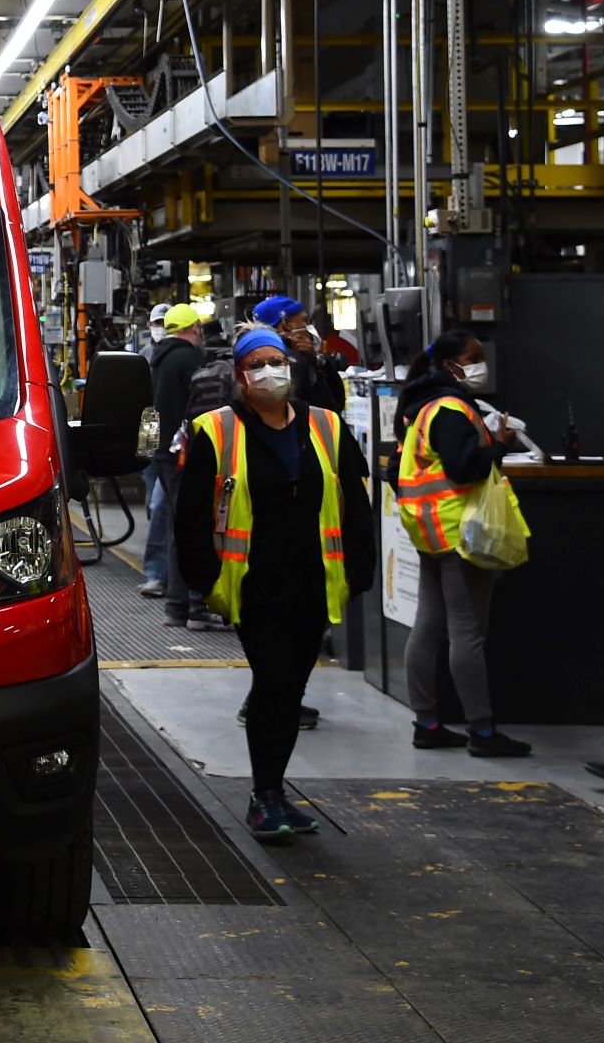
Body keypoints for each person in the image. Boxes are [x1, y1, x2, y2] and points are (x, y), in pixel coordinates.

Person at [176, 325, 376, 843]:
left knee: (291, 688)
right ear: (240, 376)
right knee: (274, 683)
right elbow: (191, 515)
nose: (270, 371)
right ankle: (266, 795)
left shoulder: (327, 427)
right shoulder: (215, 430)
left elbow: (353, 502)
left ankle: (274, 792)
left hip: (313, 578)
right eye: (257, 363)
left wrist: (360, 569)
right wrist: (205, 579)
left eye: (277, 360)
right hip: (253, 582)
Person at [393, 329, 532, 758]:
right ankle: (482, 730)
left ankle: (427, 722)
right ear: (451, 366)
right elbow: (465, 466)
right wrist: (498, 445)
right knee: (467, 633)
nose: (479, 363)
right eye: (472, 357)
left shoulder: (422, 407)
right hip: (461, 532)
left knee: (428, 627)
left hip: (430, 532)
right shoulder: (451, 408)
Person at [140, 304, 201, 598]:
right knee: (162, 508)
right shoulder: (149, 357)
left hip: (162, 446)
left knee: (162, 507)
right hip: (168, 447)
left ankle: (158, 575)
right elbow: (148, 404)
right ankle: (160, 576)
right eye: (156, 322)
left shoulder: (159, 357)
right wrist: (146, 447)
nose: (159, 326)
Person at [253, 295, 346, 414]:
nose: (308, 327)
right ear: (285, 323)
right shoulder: (294, 362)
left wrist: (316, 361)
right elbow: (330, 407)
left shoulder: (254, 359)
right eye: (304, 321)